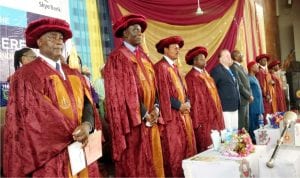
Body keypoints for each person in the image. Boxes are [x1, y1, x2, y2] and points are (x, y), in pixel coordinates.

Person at [3, 17, 102, 177]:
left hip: (82, 149)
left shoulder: (73, 72)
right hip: (51, 157)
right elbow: (34, 120)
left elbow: (87, 103)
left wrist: (86, 126)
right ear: (39, 42)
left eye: (61, 38)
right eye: (52, 37)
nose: (58, 41)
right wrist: (74, 133)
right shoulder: (26, 76)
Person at [104, 14, 164, 177]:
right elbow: (123, 94)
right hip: (133, 123)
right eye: (134, 29)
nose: (139, 32)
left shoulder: (144, 57)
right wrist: (145, 113)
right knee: (137, 165)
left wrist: (156, 108)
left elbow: (155, 86)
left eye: (140, 30)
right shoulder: (118, 58)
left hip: (151, 118)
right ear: (124, 34)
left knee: (154, 161)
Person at [154, 36, 196, 177]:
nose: (178, 49)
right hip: (172, 118)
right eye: (174, 47)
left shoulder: (176, 67)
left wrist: (188, 101)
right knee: (175, 153)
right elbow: (162, 93)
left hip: (184, 115)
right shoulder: (161, 67)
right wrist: (179, 106)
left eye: (179, 47)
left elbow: (184, 90)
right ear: (165, 50)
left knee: (187, 150)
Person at [185, 46, 225, 152]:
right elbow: (194, 101)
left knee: (217, 144)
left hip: (214, 116)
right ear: (194, 61)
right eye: (201, 59)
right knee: (207, 148)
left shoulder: (206, 74)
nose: (205, 61)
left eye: (204, 58)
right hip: (204, 121)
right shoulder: (192, 77)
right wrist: (198, 123)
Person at [211, 49, 240, 130]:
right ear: (221, 59)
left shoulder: (230, 70)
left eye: (229, 56)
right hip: (225, 108)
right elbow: (213, 90)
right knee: (229, 133)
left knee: (235, 131)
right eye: (227, 56)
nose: (230, 57)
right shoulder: (217, 71)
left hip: (234, 106)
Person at [230, 50, 253, 131]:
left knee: (246, 122)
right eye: (240, 54)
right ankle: (242, 142)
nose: (242, 56)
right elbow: (239, 84)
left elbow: (247, 83)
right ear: (236, 57)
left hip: (246, 99)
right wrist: (248, 95)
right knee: (242, 123)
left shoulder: (241, 67)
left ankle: (247, 141)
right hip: (242, 99)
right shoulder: (233, 67)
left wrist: (250, 94)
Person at [247, 61, 264, 143]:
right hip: (253, 106)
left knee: (258, 123)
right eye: (255, 66)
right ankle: (254, 140)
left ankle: (258, 139)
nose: (258, 67)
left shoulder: (254, 77)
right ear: (251, 68)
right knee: (253, 123)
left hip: (259, 105)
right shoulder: (248, 78)